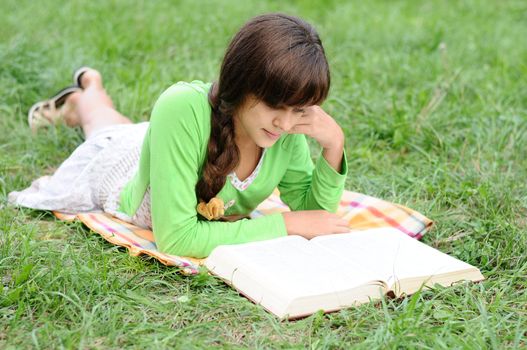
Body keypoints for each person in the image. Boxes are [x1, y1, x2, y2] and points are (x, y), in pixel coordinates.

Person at [9, 13, 350, 258]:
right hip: (117, 165)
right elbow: (177, 239)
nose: (287, 124)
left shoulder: (284, 128)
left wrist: (334, 146)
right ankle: (86, 91)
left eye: (299, 109)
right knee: (103, 127)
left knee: (111, 121)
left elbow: (315, 216)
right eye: (276, 105)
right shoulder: (182, 106)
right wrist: (284, 225)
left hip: (162, 146)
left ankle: (85, 93)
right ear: (242, 83)